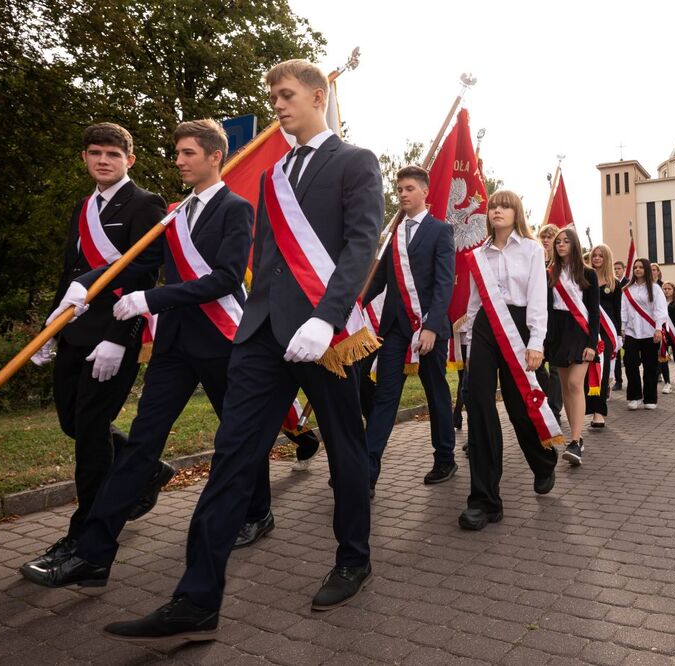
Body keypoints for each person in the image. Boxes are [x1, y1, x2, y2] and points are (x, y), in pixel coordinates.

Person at [100, 60, 384, 643]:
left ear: (316, 95)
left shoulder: (355, 162)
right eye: (272, 96)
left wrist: (325, 319)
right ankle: (196, 598)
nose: (277, 105)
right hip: (260, 336)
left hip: (323, 337)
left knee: (344, 449)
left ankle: (353, 557)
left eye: (286, 95)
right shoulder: (274, 172)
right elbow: (265, 256)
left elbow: (361, 245)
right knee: (232, 456)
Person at [20, 119, 277, 588]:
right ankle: (94, 554)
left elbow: (225, 278)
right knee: (140, 446)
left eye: (187, 153)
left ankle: (258, 511)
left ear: (215, 156)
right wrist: (83, 284)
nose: (178, 161)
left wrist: (149, 300)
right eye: (177, 152)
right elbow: (138, 263)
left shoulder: (236, 210)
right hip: (175, 346)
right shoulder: (173, 213)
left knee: (236, 435)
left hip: (220, 340)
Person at [25, 123, 165, 571]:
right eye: (94, 153)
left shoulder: (145, 204)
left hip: (113, 336)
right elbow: (71, 275)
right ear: (85, 158)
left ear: (130, 159)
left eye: (112, 153)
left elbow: (143, 272)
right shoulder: (82, 208)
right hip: (75, 331)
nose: (103, 160)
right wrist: (48, 329)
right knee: (72, 422)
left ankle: (84, 533)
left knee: (89, 434)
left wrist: (118, 338)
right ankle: (146, 470)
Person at [458, 190, 559, 531]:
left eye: (504, 206)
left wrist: (536, 342)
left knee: (519, 409)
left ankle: (543, 461)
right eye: (493, 206)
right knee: (480, 406)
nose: (497, 210)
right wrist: (470, 346)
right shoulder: (478, 255)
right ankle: (485, 501)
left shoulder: (531, 250)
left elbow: (537, 299)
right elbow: (474, 304)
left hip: (517, 328)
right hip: (486, 328)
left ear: (517, 213)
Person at [364, 166, 456, 489]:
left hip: (429, 329)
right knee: (385, 398)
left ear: (424, 192)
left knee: (436, 394)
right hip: (395, 329)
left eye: (409, 188)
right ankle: (367, 472)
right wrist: (355, 302)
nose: (402, 193)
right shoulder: (394, 234)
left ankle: (445, 457)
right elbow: (379, 281)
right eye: (400, 188)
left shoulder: (441, 231)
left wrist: (430, 326)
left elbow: (445, 284)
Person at [546, 227, 599, 465]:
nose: (560, 245)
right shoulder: (549, 272)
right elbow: (546, 307)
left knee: (576, 384)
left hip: (580, 331)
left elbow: (595, 311)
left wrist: (592, 343)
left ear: (574, 244)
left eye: (566, 241)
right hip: (557, 331)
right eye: (558, 242)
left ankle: (576, 441)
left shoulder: (588, 273)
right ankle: (574, 437)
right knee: (566, 387)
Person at [621, 258, 667, 410]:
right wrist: (622, 328)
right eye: (635, 267)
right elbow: (623, 311)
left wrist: (659, 328)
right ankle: (634, 396)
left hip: (650, 332)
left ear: (646, 269)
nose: (638, 269)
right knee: (630, 363)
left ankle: (650, 398)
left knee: (650, 366)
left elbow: (660, 309)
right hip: (631, 332)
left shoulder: (655, 289)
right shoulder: (627, 289)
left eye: (641, 267)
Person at [586, 244, 620, 428]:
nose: (597, 258)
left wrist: (619, 335)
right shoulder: (584, 279)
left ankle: (599, 412)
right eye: (594, 255)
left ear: (606, 259)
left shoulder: (614, 283)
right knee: (585, 372)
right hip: (587, 330)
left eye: (600, 256)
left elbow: (617, 311)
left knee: (602, 371)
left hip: (606, 333)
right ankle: (585, 407)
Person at [536, 224, 564, 423]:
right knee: (536, 365)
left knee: (555, 368)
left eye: (550, 237)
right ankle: (548, 396)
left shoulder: (561, 264)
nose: (546, 240)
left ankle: (554, 410)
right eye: (543, 237)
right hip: (538, 319)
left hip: (557, 321)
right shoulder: (535, 259)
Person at [611, 259, 628, 391]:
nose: (616, 271)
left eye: (619, 269)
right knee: (615, 353)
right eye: (615, 268)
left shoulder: (628, 283)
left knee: (628, 354)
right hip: (615, 320)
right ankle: (618, 380)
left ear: (623, 269)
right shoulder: (611, 281)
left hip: (627, 321)